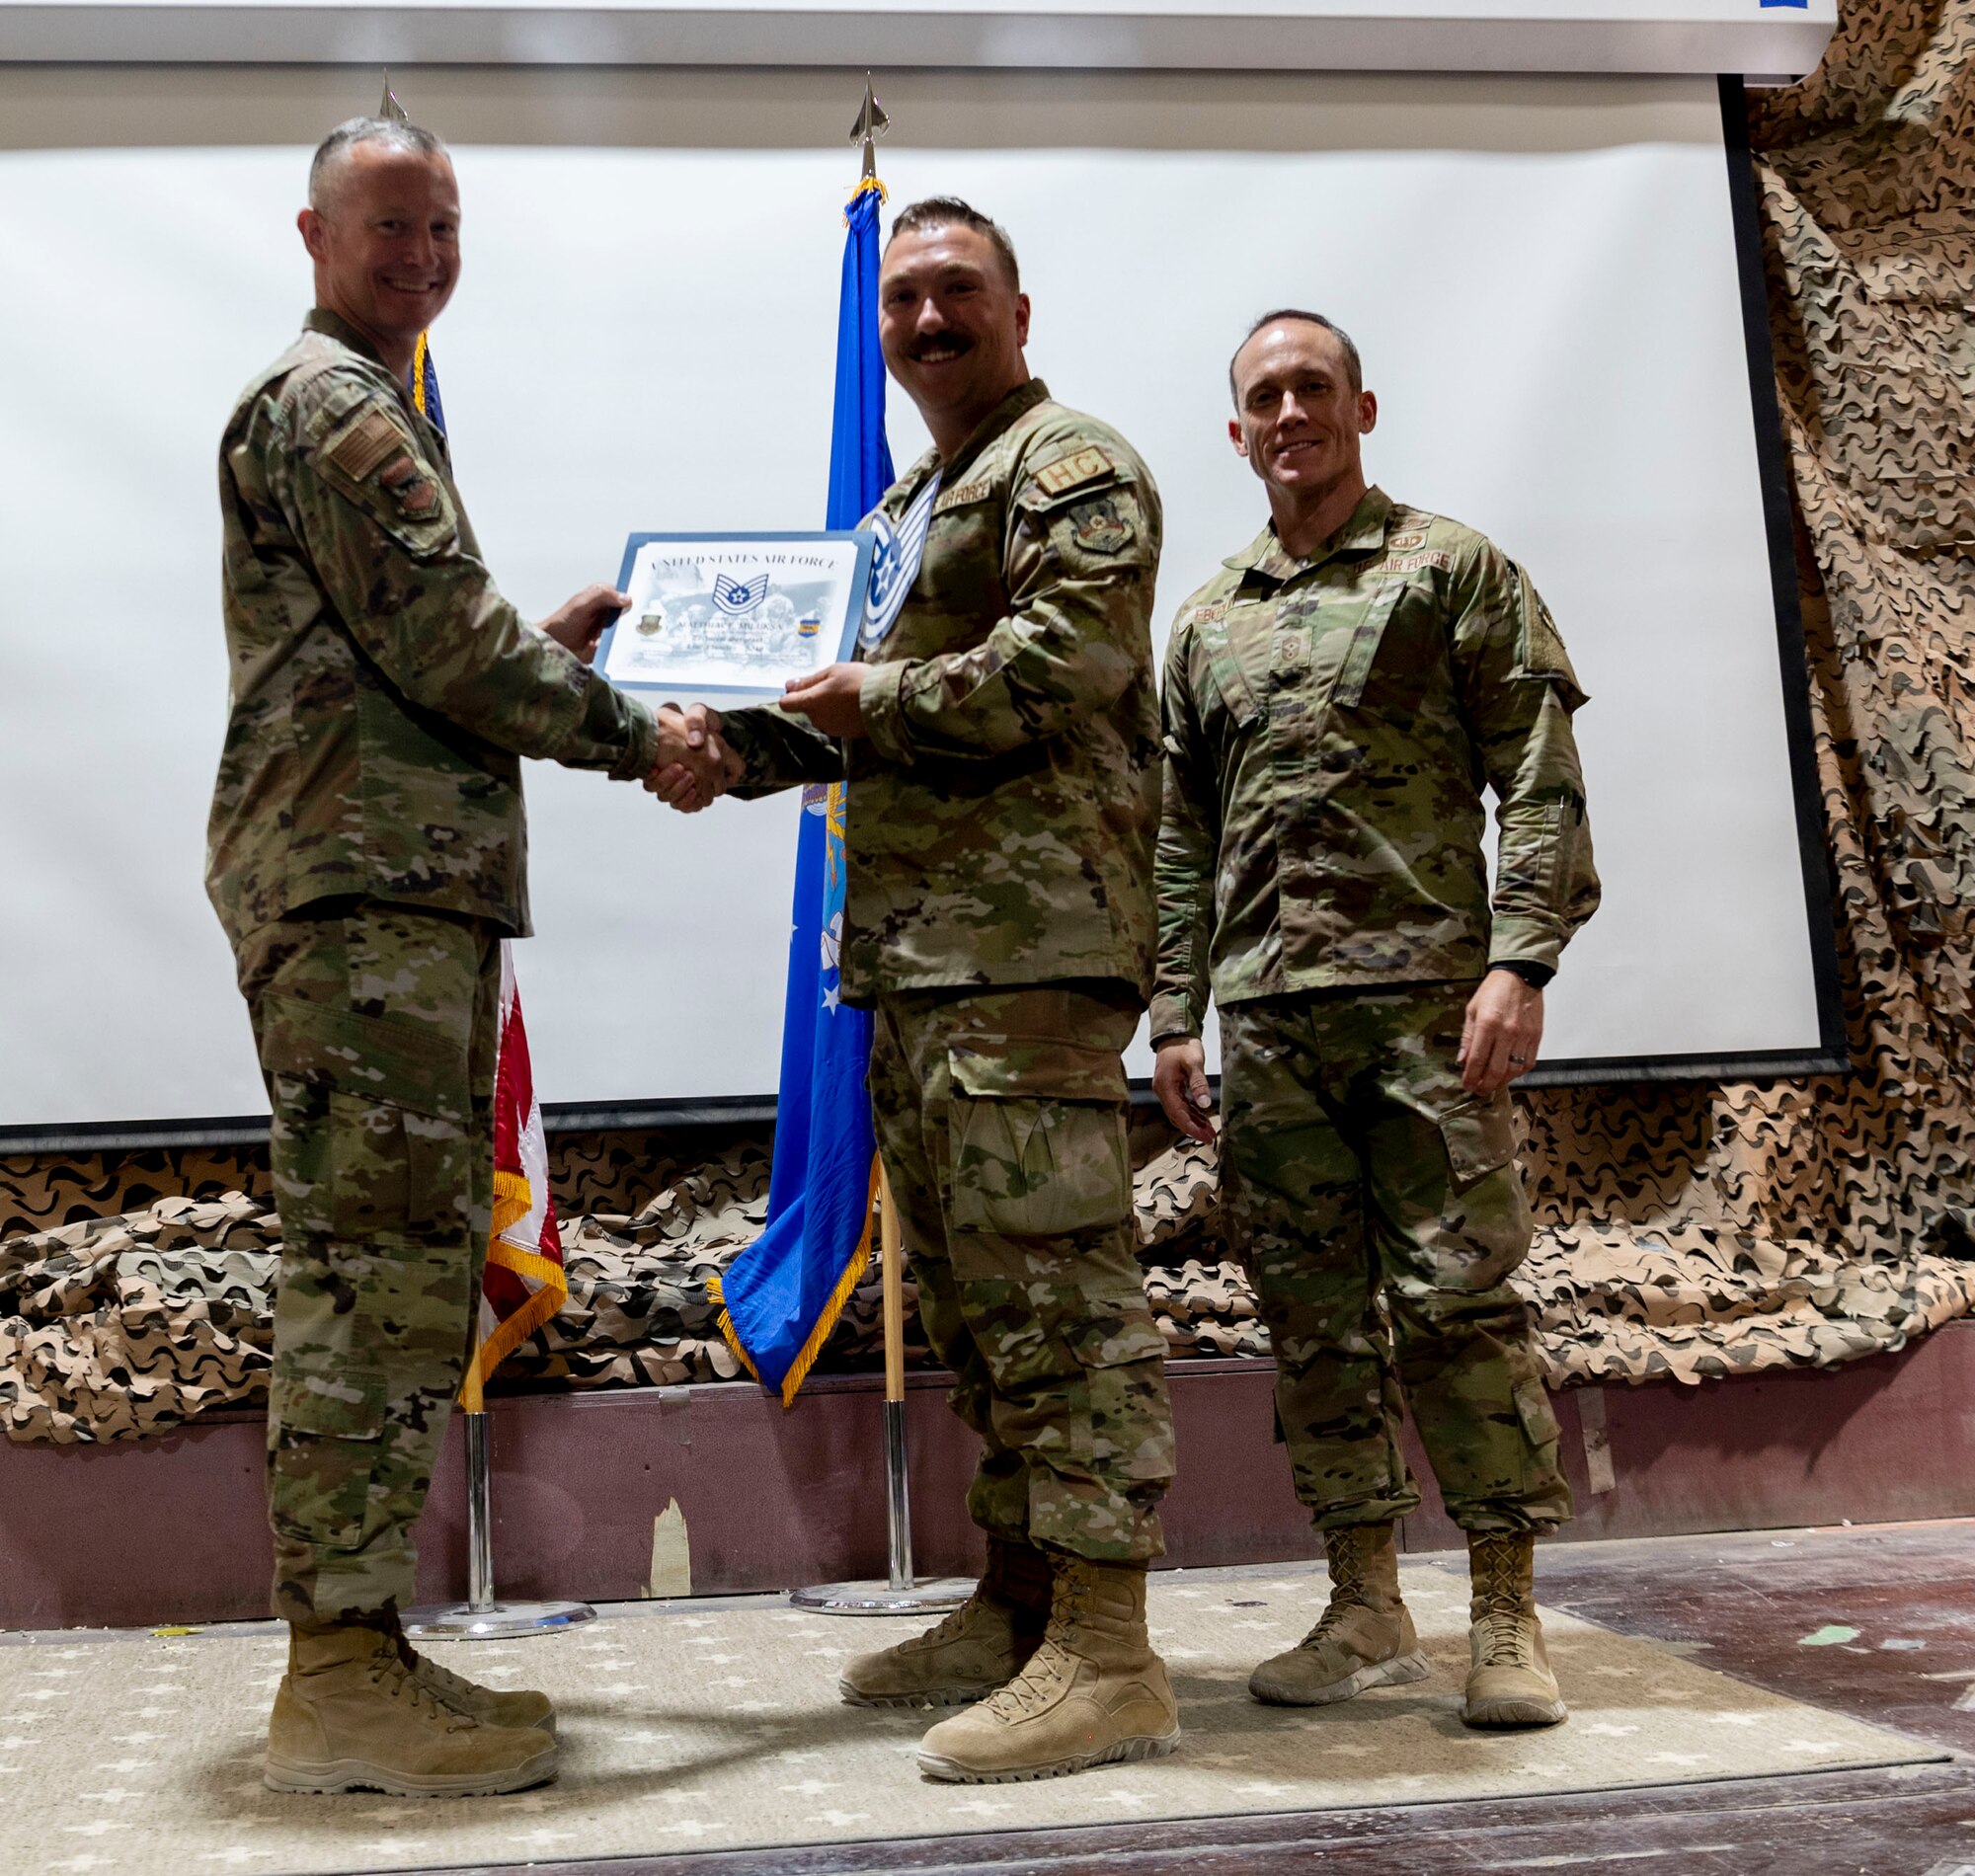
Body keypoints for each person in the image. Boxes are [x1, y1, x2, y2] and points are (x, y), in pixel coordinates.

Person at [208, 114, 724, 1798]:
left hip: (388, 895)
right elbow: (445, 644)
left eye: (442, 227)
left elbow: (431, 646)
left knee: (393, 1269)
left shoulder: (372, 405)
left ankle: (357, 1651)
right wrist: (630, 727)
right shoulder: (335, 409)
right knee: (368, 1282)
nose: (421, 256)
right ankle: (340, 1671)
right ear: (312, 235)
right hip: (362, 906)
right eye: (388, 228)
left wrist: (531, 651)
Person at [664, 198, 1180, 1783]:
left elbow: (1058, 667)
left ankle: (1109, 1649)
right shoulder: (907, 503)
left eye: (957, 289)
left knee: (1060, 1298)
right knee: (975, 1299)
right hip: (922, 962)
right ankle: (1019, 1601)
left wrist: (862, 696)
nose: (927, 319)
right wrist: (722, 748)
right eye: (903, 300)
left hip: (1031, 959)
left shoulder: (1069, 469)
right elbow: (852, 715)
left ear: (1021, 308)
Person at [1151, 310, 1600, 1729]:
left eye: (1314, 388)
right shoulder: (1209, 619)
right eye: (1264, 396)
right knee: (1314, 1322)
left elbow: (1536, 772)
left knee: (1460, 1307)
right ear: (1237, 433)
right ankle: (1363, 1604)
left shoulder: (1451, 571)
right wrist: (1175, 1002)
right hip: (1269, 1022)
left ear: (1363, 407)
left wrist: (1520, 960)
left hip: (1427, 1010)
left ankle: (1508, 1617)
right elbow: (1181, 832)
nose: (1291, 412)